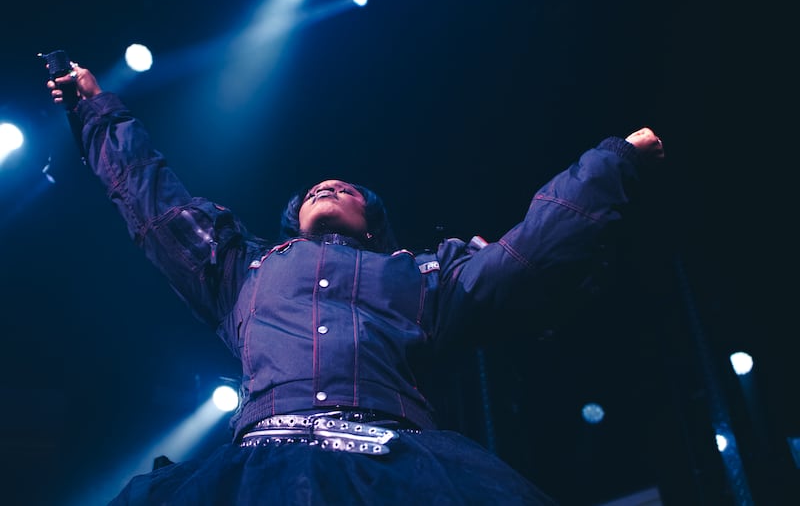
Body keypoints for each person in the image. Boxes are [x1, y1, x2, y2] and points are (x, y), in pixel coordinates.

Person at [48, 63, 664, 505]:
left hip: (400, 463)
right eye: (317, 187)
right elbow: (159, 206)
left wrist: (612, 162)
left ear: (374, 221)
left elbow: (529, 253)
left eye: (346, 189)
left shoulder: (424, 277)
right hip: (263, 463)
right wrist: (98, 109)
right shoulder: (246, 273)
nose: (328, 186)